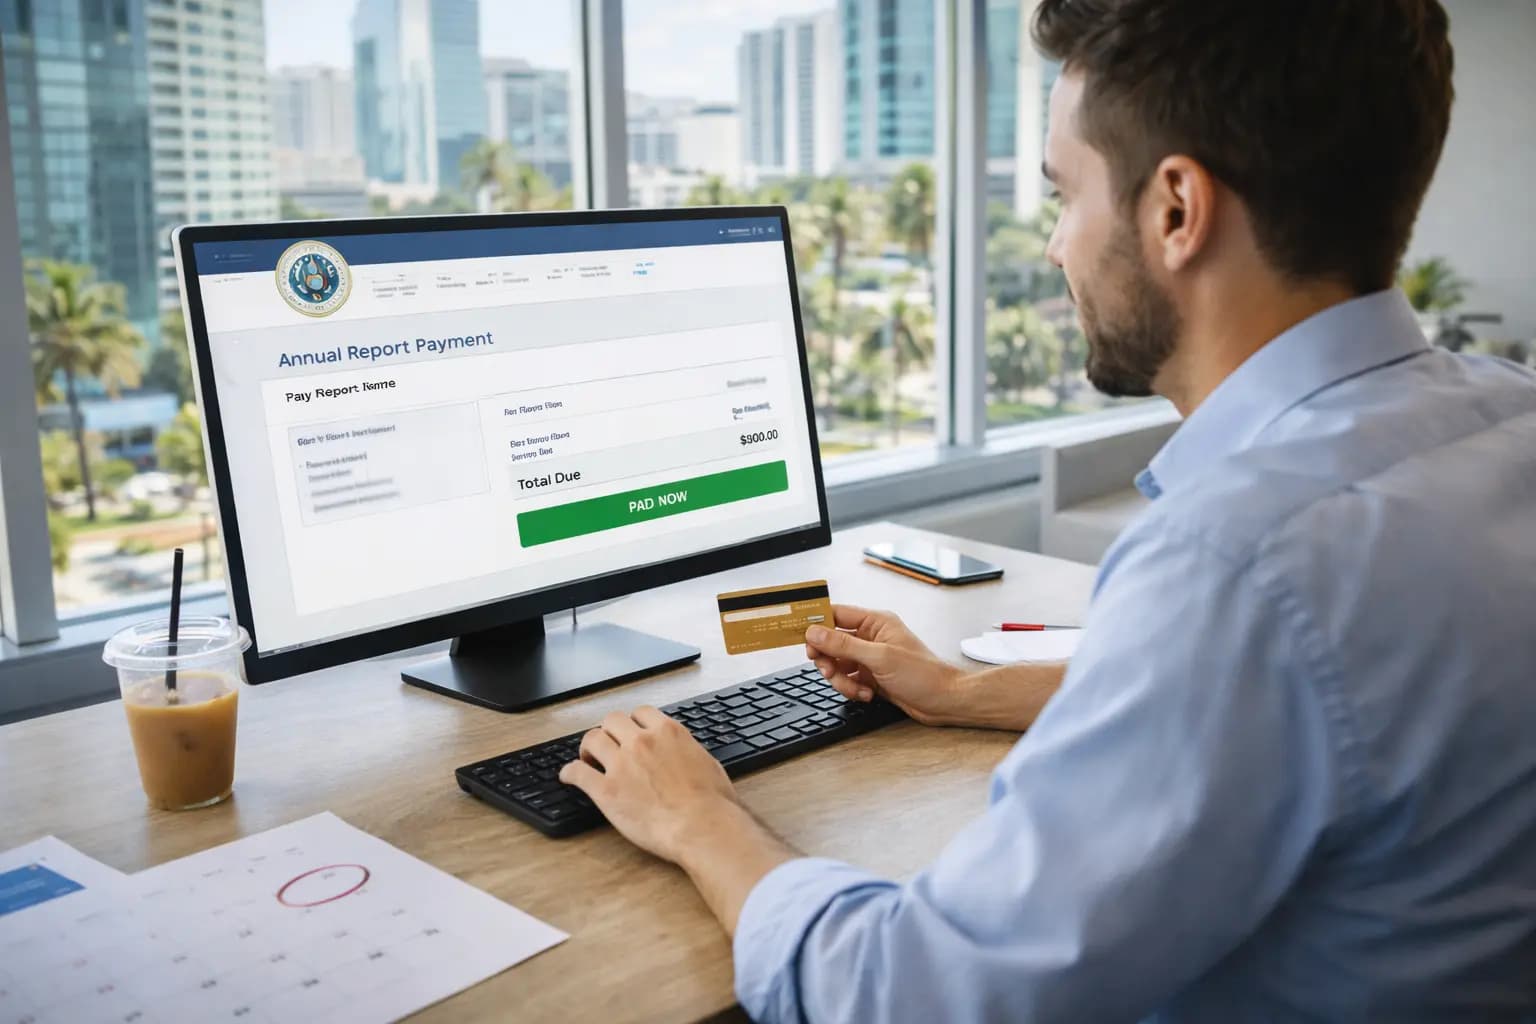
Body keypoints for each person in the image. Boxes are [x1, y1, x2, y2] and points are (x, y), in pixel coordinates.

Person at [560, 0, 1536, 1018]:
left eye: (1064, 196)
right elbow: (1308, 713)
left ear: (1175, 210)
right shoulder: (1508, 423)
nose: (1059, 249)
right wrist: (959, 688)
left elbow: (915, 995)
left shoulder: (1234, 563)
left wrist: (702, 817)